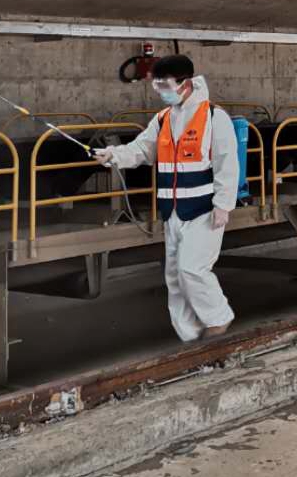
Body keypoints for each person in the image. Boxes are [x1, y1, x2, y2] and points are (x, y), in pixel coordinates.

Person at [95, 55, 238, 343]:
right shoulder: (163, 119)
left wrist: (223, 205)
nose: (161, 92)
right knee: (174, 276)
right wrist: (114, 155)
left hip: (203, 210)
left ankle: (218, 318)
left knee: (191, 269)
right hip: (171, 210)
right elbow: (142, 150)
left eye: (165, 85)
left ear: (185, 84)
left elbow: (227, 163)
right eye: (157, 86)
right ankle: (189, 334)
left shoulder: (214, 117)